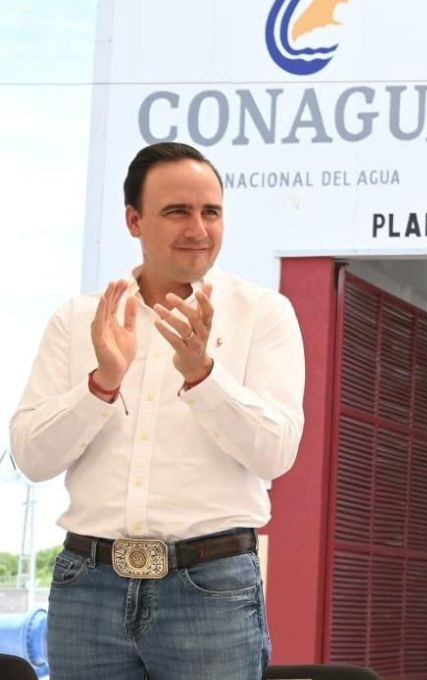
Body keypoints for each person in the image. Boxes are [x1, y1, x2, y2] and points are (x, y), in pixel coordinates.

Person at [10, 142, 305, 679]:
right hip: (87, 586)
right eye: (177, 211)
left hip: (210, 586)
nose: (198, 228)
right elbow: (31, 456)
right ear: (132, 219)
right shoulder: (79, 321)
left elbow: (277, 452)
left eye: (210, 211)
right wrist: (101, 384)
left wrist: (202, 375)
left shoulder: (264, 314)